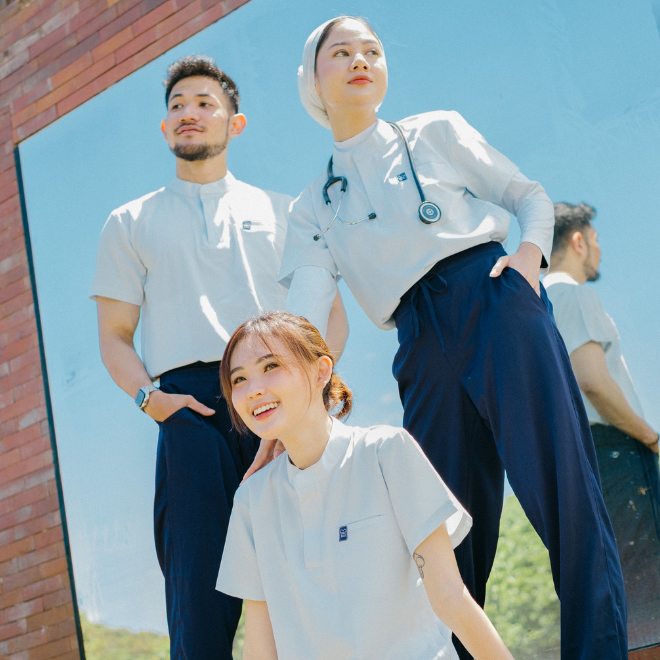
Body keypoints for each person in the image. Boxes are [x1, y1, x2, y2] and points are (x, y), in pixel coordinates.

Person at [272, 16, 628, 659]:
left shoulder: (435, 131)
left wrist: (527, 262)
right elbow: (306, 316)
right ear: (312, 82)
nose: (361, 60)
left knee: (564, 491)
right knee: (444, 527)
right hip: (418, 341)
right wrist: (284, 408)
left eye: (372, 50)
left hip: (494, 302)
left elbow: (528, 195)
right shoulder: (313, 206)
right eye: (341, 53)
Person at [89, 55, 348, 660]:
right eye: (177, 105)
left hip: (278, 400)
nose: (189, 113)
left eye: (205, 103)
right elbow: (114, 335)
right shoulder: (129, 222)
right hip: (190, 412)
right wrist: (153, 402)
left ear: (235, 123)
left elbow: (330, 315)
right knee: (199, 602)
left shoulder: (285, 212)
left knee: (307, 590)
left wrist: (309, 397)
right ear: (164, 128)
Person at [216, 311, 516, 660]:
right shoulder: (252, 501)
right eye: (239, 379)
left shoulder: (386, 452)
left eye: (271, 366)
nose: (254, 390)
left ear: (321, 371)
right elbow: (259, 649)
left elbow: (451, 598)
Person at [544, 202, 660, 649]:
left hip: (582, 457)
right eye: (595, 240)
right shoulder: (572, 295)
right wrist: (650, 437)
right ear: (578, 242)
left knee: (617, 589)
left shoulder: (537, 303)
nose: (598, 250)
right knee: (646, 591)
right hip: (615, 453)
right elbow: (592, 381)